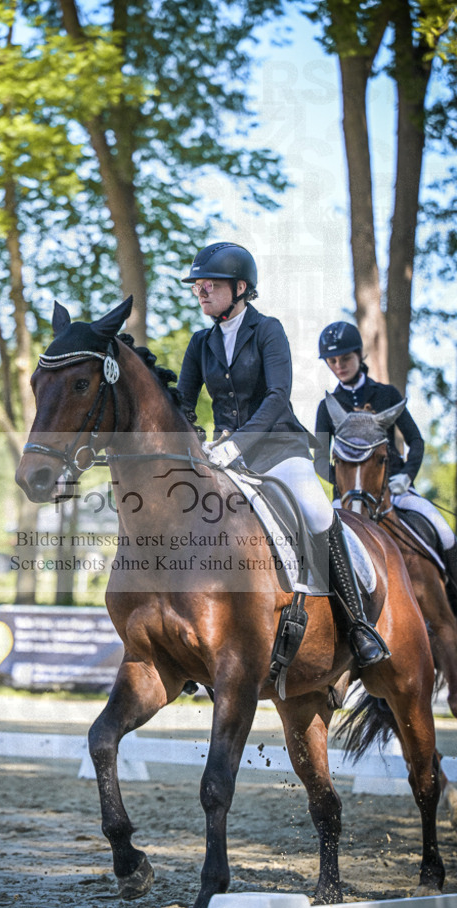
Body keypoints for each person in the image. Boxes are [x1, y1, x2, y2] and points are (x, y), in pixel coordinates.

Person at [177, 241, 389, 668]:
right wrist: (191, 442)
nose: (200, 291)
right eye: (197, 285)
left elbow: (277, 397)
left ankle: (357, 624)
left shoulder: (268, 330)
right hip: (225, 458)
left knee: (316, 512)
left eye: (209, 284)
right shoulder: (201, 343)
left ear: (239, 287)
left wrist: (238, 442)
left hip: (280, 449)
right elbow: (182, 403)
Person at [315, 320, 457, 648]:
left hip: (393, 489)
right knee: (315, 540)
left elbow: (416, 441)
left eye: (345, 359)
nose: (339, 366)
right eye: (332, 361)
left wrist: (406, 476)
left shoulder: (386, 395)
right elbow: (318, 459)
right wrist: (345, 485)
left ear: (360, 356)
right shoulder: (328, 407)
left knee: (443, 530)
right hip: (350, 498)